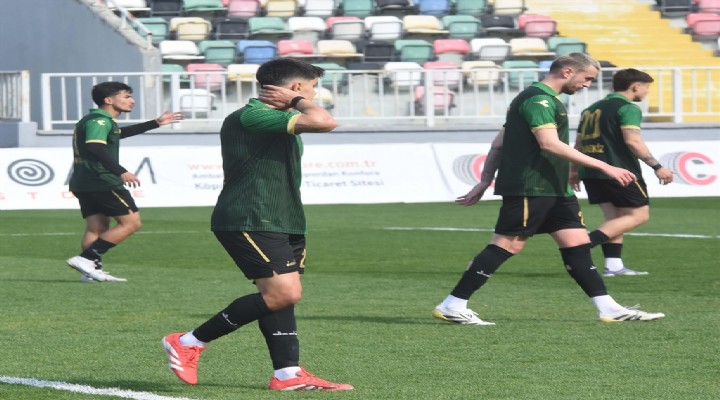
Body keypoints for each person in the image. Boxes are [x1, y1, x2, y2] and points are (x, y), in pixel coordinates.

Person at [161, 59, 353, 391]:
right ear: (296, 88)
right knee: (284, 292)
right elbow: (325, 121)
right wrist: (297, 101)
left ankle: (287, 374)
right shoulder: (252, 115)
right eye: (311, 87)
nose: (314, 94)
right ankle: (189, 341)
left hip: (283, 218)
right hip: (251, 216)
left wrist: (293, 103)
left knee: (281, 296)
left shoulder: (279, 119)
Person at [432, 53, 665, 325]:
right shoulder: (538, 100)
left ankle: (609, 308)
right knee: (508, 244)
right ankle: (453, 304)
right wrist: (605, 166)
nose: (588, 84)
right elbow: (549, 144)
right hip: (532, 186)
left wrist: (485, 180)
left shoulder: (544, 100)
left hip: (556, 189)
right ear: (567, 72)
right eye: (587, 78)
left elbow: (498, 143)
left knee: (577, 244)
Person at [66, 81, 183, 283]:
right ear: (109, 100)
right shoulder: (100, 121)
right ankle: (85, 259)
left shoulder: (95, 120)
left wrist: (156, 123)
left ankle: (90, 272)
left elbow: (118, 135)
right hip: (102, 181)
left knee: (97, 227)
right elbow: (95, 147)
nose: (132, 100)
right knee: (131, 223)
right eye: (127, 96)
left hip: (84, 181)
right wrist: (121, 172)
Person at [571, 68, 674, 277]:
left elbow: (579, 144)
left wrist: (573, 170)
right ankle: (582, 245)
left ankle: (613, 266)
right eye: (646, 87)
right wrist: (657, 166)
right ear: (636, 86)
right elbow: (633, 141)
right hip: (619, 171)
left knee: (614, 218)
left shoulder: (591, 109)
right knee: (638, 215)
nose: (647, 92)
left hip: (592, 171)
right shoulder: (628, 108)